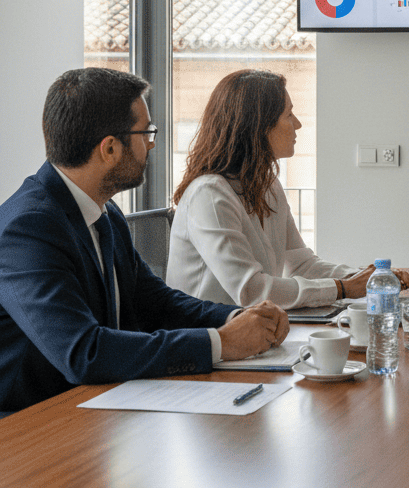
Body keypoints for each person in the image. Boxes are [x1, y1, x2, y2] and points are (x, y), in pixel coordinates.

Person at [0, 68, 288, 414]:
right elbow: (84, 352)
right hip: (30, 427)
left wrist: (239, 318)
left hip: (95, 407)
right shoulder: (27, 229)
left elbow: (156, 302)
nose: (152, 144)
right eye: (146, 133)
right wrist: (222, 343)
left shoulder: (104, 212)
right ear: (110, 148)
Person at [167, 70, 409, 309]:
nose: (298, 124)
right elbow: (251, 290)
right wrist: (343, 288)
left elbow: (301, 265)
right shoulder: (209, 195)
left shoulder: (267, 184)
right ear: (259, 126)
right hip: (211, 338)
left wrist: (368, 277)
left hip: (254, 330)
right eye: (289, 114)